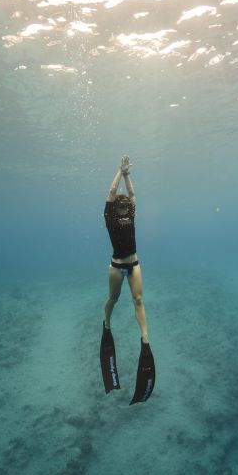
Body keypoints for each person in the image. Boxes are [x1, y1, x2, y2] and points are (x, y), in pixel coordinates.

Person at [100, 155, 155, 404]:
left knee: (139, 299)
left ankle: (145, 337)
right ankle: (107, 323)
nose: (123, 204)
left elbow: (133, 196)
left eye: (124, 203)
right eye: (118, 203)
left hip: (133, 263)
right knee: (113, 298)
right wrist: (119, 172)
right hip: (116, 265)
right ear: (113, 207)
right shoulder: (109, 216)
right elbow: (112, 191)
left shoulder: (130, 213)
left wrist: (128, 176)